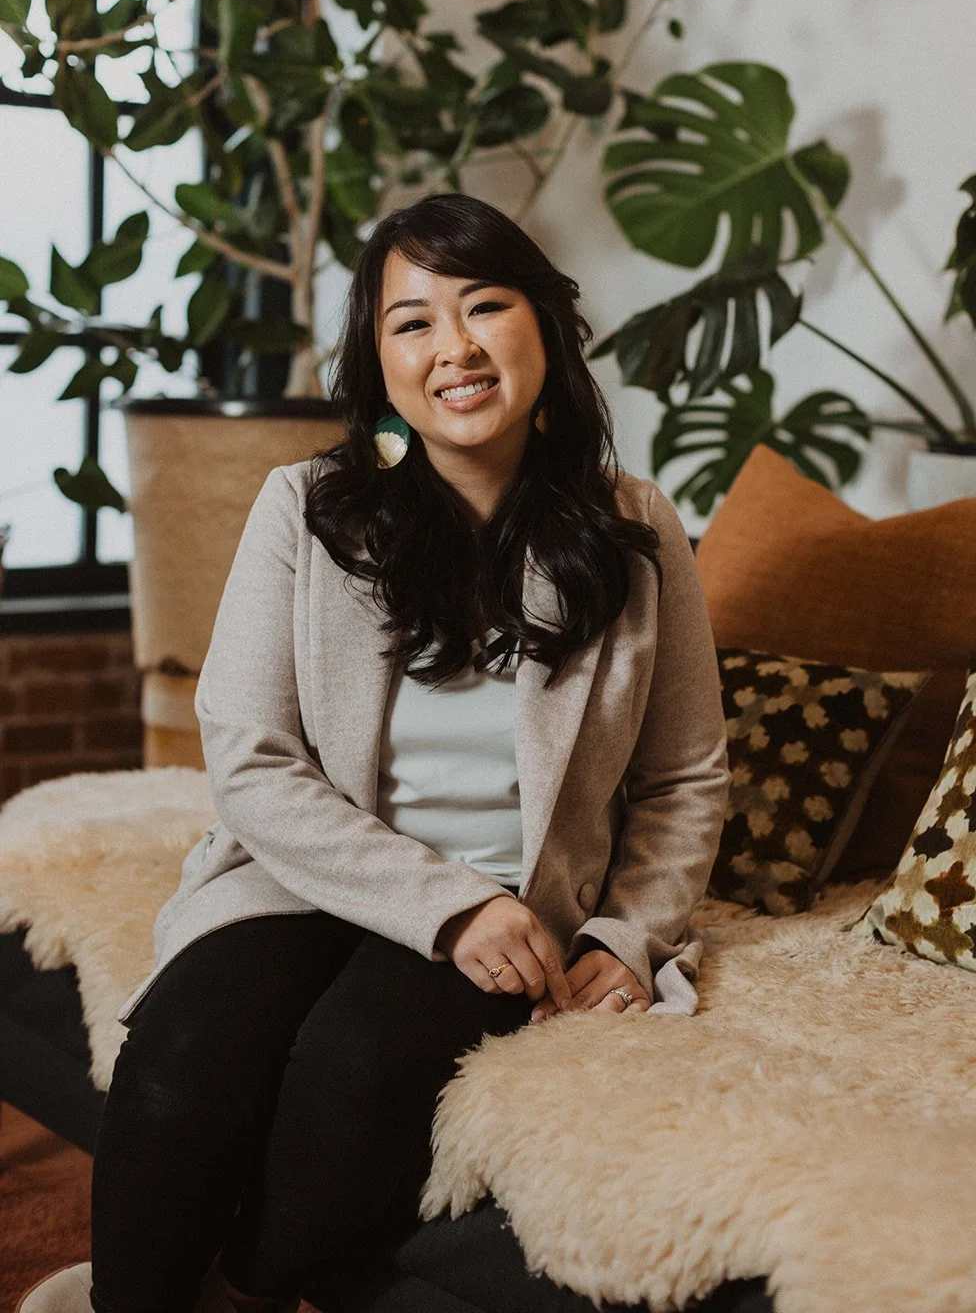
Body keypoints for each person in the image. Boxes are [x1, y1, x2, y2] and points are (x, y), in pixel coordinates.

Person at [19, 194, 731, 1313]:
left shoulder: (634, 529)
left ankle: (237, 1294)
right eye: (411, 322)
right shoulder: (304, 508)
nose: (453, 347)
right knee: (181, 1052)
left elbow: (686, 774)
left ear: (541, 325)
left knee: (356, 1066)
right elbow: (249, 758)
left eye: (485, 306)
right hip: (313, 875)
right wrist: (443, 905)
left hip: (513, 907)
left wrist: (626, 936)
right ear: (377, 360)